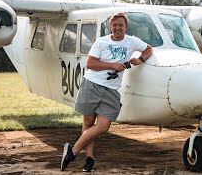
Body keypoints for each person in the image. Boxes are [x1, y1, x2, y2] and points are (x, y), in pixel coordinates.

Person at [60, 12, 153, 172]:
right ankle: (89, 158)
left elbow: (148, 49)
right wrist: (112, 65)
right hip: (92, 84)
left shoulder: (132, 41)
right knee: (88, 123)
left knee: (103, 126)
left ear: (126, 27)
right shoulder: (101, 42)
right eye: (115, 25)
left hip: (111, 89)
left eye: (121, 25)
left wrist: (140, 60)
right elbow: (90, 64)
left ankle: (73, 150)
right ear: (111, 26)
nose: (118, 28)